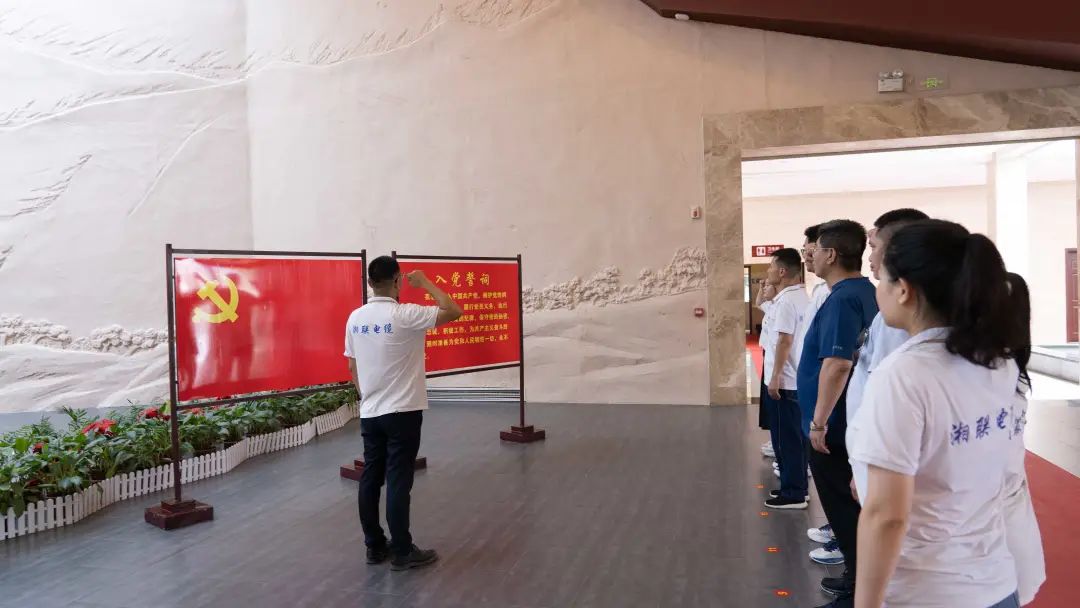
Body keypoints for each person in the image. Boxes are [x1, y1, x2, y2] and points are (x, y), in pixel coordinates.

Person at [849, 221, 1031, 608]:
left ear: (903, 289)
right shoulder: (999, 362)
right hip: (995, 583)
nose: (878, 287)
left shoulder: (904, 375)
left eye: (882, 277)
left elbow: (887, 516)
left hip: (926, 591)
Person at [344, 256, 462, 571]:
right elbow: (453, 310)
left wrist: (366, 397)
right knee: (398, 478)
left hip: (371, 411)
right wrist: (424, 283)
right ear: (397, 281)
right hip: (403, 411)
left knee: (371, 477)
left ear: (370, 283)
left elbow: (352, 365)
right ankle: (402, 550)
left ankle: (374, 546)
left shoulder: (355, 318)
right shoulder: (405, 314)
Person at [797, 219, 877, 607]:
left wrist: (819, 422)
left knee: (843, 504)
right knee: (849, 502)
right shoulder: (863, 292)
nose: (809, 257)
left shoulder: (844, 298)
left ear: (831, 254)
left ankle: (860, 583)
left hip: (835, 420)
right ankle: (858, 575)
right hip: (848, 415)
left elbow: (837, 363)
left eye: (813, 250)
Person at [846, 208, 929, 505]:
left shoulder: (899, 319)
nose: (869, 257)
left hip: (886, 463)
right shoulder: (893, 316)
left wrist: (869, 464)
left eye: (874, 247)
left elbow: (887, 401)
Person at [761, 248, 810, 509]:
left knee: (786, 440)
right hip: (795, 378)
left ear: (782, 271)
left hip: (785, 380)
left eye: (771, 267)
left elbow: (784, 340)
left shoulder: (787, 302)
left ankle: (793, 493)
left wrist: (776, 377)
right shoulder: (800, 297)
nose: (768, 271)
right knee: (794, 438)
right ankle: (797, 486)